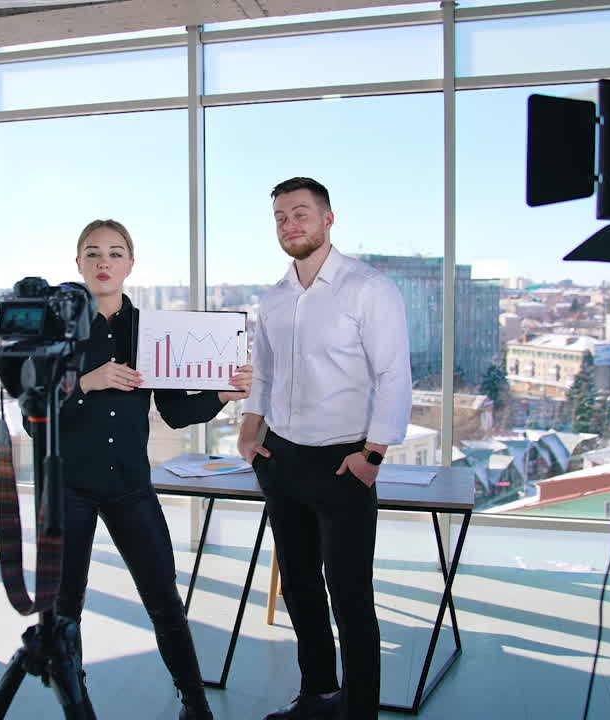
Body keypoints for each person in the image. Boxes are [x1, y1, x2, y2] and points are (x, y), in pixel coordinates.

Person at [53, 218, 252, 720]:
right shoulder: (57, 328)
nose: (104, 262)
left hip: (129, 484)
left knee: (164, 598)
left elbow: (175, 411)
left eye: (115, 253)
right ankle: (78, 710)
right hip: (69, 486)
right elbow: (38, 420)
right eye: (93, 253)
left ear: (130, 264)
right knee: (66, 612)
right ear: (78, 263)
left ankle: (195, 702)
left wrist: (222, 395)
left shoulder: (151, 330)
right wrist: (88, 382)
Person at [237, 178, 412, 720]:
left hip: (344, 463)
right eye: (281, 217)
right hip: (281, 458)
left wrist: (374, 454)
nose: (291, 224)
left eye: (301, 213)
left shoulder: (368, 288)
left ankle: (359, 711)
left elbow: (393, 375)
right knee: (301, 590)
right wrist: (248, 432)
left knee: (351, 597)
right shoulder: (273, 298)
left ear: (328, 219)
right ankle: (317, 696)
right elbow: (264, 374)